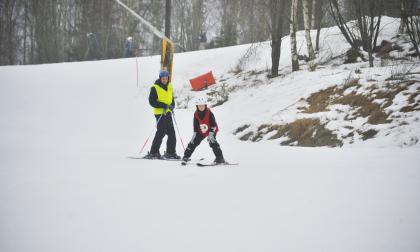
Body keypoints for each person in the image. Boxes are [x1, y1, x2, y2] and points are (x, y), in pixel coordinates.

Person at [145, 70, 180, 159]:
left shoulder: (170, 86)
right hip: (159, 113)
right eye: (163, 78)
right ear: (160, 78)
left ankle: (170, 152)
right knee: (161, 132)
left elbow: (171, 98)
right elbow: (151, 102)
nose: (165, 80)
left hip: (168, 112)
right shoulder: (155, 87)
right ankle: (154, 152)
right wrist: (162, 105)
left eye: (166, 78)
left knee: (172, 133)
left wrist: (172, 105)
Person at [182, 97, 225, 164]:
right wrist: (195, 133)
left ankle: (220, 158)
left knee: (212, 142)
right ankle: (186, 156)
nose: (201, 107)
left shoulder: (209, 113)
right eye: (199, 106)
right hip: (202, 130)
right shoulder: (196, 113)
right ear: (197, 106)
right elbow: (195, 124)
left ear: (205, 105)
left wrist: (211, 134)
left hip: (211, 130)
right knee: (193, 142)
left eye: (203, 106)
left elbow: (213, 124)